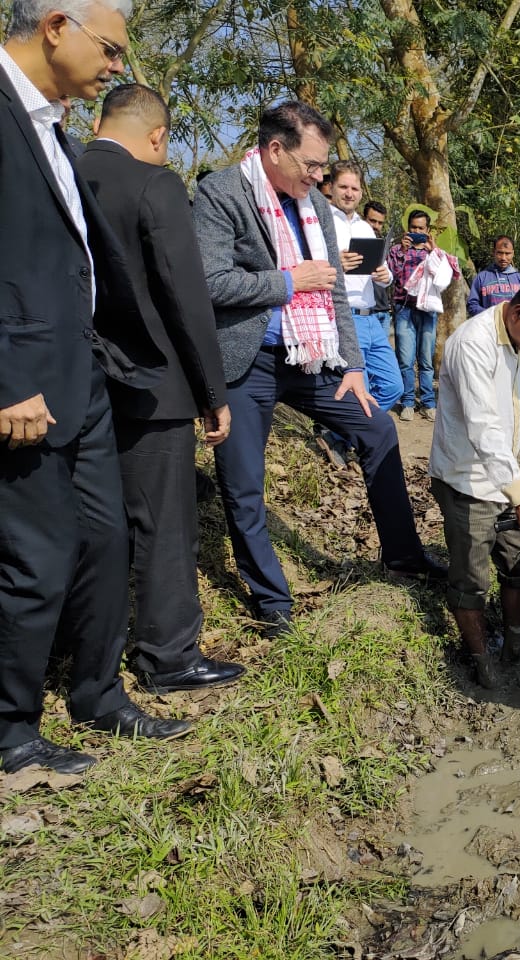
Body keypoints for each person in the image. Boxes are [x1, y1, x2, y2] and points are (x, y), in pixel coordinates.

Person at [1, 0, 193, 774]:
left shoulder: (52, 126)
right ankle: (11, 726)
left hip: (79, 377)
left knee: (107, 540)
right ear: (55, 26)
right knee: (36, 557)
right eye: (110, 49)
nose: (118, 66)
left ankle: (97, 691)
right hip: (24, 387)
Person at [192, 100, 444, 640]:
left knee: (377, 428)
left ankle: (403, 556)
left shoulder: (316, 208)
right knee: (242, 483)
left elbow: (332, 290)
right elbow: (208, 282)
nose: (319, 177)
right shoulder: (221, 193)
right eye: (311, 165)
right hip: (247, 361)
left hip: (313, 356)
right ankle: (271, 600)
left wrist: (353, 364)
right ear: (275, 149)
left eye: (324, 168)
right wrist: (286, 282)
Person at [76, 84, 245, 694]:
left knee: (96, 521)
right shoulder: (156, 184)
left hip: (79, 381)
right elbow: (183, 296)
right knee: (164, 523)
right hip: (153, 387)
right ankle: (168, 655)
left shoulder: (64, 169)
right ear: (157, 137)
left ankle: (84, 644)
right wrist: (212, 392)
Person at [429, 275, 520, 687]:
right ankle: (480, 660)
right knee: (471, 578)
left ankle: (514, 640)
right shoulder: (471, 344)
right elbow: (483, 428)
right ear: (518, 312)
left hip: (507, 474)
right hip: (467, 479)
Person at [327, 162, 399, 412]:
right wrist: (336, 263)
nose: (349, 193)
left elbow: (385, 273)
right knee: (360, 389)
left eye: (354, 188)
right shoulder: (321, 222)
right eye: (343, 186)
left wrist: (384, 275)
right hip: (345, 316)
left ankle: (341, 435)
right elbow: (306, 266)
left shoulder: (365, 228)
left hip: (373, 318)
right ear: (332, 187)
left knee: (393, 386)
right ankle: (354, 439)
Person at [386, 204, 440, 421]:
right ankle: (408, 401)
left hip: (428, 311)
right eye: (413, 228)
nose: (417, 232)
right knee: (406, 359)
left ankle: (428, 402)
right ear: (408, 228)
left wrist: (434, 253)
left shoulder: (434, 253)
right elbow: (392, 278)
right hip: (404, 309)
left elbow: (443, 280)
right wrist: (404, 252)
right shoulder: (396, 251)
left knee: (426, 360)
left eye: (421, 229)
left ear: (427, 230)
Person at [466, 235, 520, 316]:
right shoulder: (481, 278)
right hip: (488, 327)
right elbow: (472, 305)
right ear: (493, 252)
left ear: (513, 253)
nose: (503, 258)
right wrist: (493, 315)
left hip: (513, 328)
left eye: (507, 253)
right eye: (500, 253)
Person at [361, 200, 394, 340]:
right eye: (372, 221)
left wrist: (387, 277)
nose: (376, 226)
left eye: (380, 223)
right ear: (363, 219)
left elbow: (388, 278)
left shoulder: (382, 244)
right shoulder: (353, 241)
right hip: (363, 313)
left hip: (383, 310)